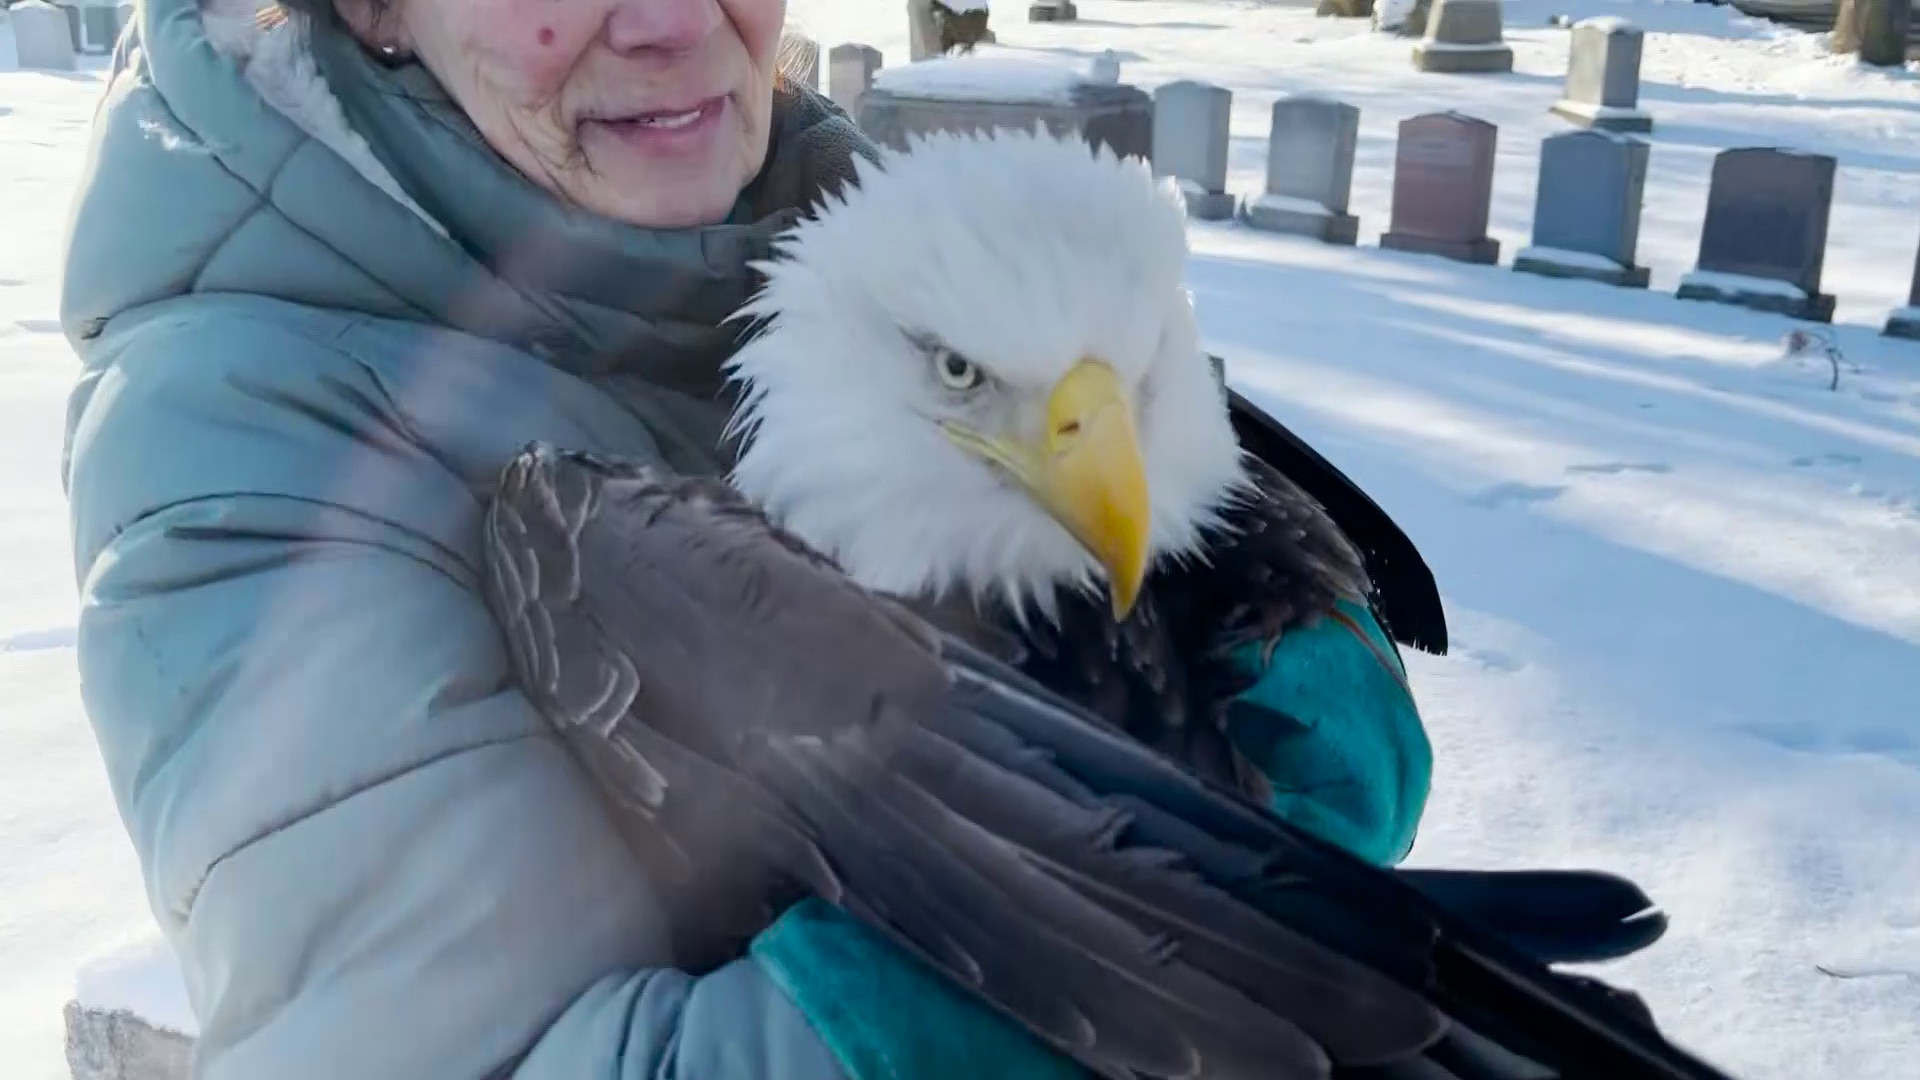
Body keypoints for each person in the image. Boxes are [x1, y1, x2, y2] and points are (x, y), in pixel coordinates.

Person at [58, 1, 1433, 1077]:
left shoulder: (832, 212)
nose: (671, 20)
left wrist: (1255, 567)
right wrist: (1099, 976)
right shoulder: (237, 442)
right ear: (373, 8)